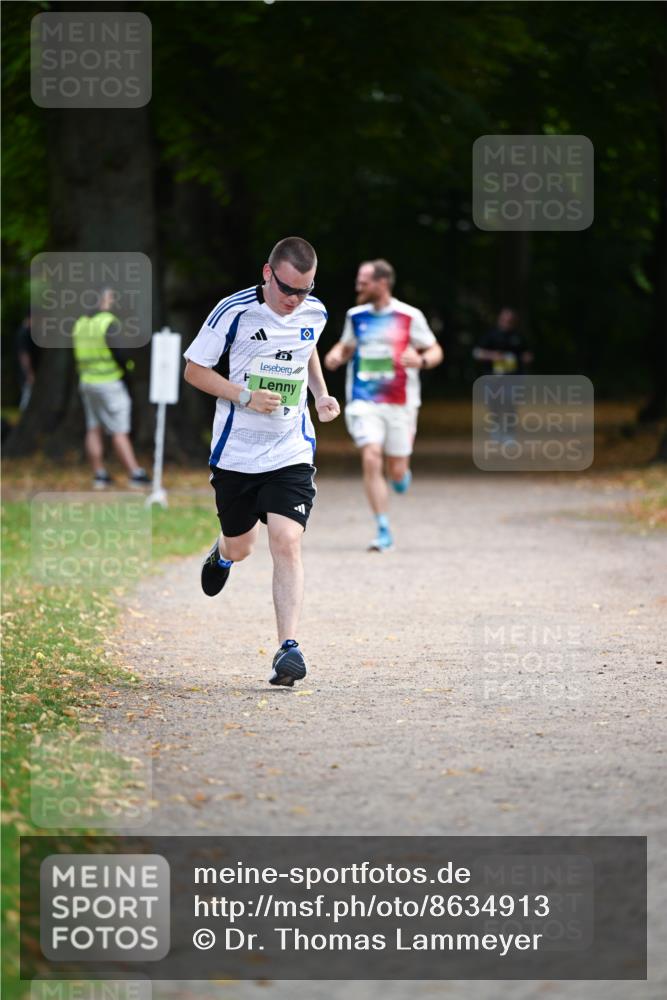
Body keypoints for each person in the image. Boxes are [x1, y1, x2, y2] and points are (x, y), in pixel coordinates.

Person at [183, 236, 340, 687]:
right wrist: (244, 396)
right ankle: (223, 553)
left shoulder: (315, 311)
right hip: (236, 454)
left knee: (287, 541)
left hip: (290, 449)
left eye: (304, 291)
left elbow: (305, 347)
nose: (295, 300)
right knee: (242, 546)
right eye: (287, 289)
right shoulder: (233, 311)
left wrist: (321, 394)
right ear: (268, 273)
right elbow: (194, 369)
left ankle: (287, 649)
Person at [324, 259, 443, 552]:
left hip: (400, 403)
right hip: (364, 401)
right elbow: (347, 345)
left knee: (396, 469)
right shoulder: (356, 316)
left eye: (364, 282)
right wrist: (336, 354)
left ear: (382, 283)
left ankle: (401, 477)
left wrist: (423, 360)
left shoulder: (408, 316)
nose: (358, 286)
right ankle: (382, 528)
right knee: (371, 455)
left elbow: (435, 348)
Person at [72, 288, 150, 489]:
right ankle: (135, 474)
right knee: (119, 429)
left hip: (87, 382)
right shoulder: (107, 322)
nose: (112, 300)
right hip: (109, 382)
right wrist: (129, 370)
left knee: (93, 427)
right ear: (100, 300)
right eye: (109, 297)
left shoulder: (80, 323)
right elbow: (120, 353)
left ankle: (99, 474)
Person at [472, 307, 533, 443]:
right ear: (499, 319)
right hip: (493, 377)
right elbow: (477, 353)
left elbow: (527, 353)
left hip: (513, 378)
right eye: (504, 319)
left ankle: (509, 434)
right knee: (494, 404)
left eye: (510, 320)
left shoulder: (518, 336)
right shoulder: (490, 335)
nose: (507, 322)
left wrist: (524, 358)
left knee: (510, 403)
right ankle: (496, 429)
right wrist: (493, 356)